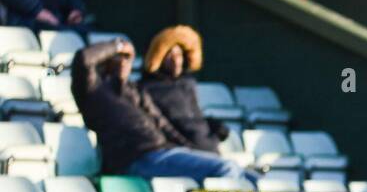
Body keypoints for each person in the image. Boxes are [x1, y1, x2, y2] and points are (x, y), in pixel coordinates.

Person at [71, 37, 254, 183]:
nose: (125, 63)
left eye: (128, 58)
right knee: (225, 169)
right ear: (107, 61)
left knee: (251, 177)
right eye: (120, 57)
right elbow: (83, 59)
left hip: (164, 152)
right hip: (137, 158)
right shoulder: (92, 90)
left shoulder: (134, 91)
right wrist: (116, 45)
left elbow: (164, 126)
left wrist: (193, 150)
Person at [139, 25, 228, 155]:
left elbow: (195, 116)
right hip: (182, 153)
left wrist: (214, 126)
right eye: (170, 55)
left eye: (179, 55)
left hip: (209, 147)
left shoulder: (188, 84)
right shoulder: (146, 88)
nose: (176, 61)